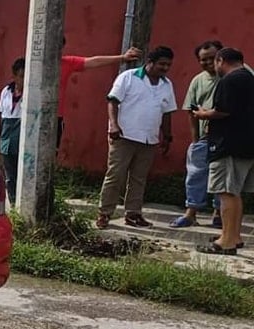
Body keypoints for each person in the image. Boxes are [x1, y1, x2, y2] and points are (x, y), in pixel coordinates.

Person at [96, 46, 177, 229]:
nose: (165, 68)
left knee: (139, 179)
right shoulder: (129, 77)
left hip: (149, 138)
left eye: (168, 65)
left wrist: (167, 136)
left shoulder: (167, 84)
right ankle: (104, 213)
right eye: (162, 64)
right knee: (115, 175)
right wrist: (114, 125)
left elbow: (166, 112)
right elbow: (113, 101)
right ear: (150, 62)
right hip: (124, 135)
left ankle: (133, 214)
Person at [193, 48, 254, 255]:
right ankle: (234, 236)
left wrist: (203, 114)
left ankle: (226, 241)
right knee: (235, 193)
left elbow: (223, 111)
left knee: (225, 193)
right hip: (247, 145)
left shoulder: (229, 80)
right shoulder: (249, 78)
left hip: (228, 145)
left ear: (221, 60)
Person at [170, 40, 224, 228]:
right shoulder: (197, 80)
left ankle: (219, 213)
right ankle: (191, 213)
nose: (208, 62)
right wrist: (195, 140)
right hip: (203, 138)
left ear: (221, 56)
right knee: (195, 174)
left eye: (212, 58)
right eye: (203, 59)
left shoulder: (236, 76)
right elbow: (191, 111)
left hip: (228, 138)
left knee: (222, 176)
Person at [59, 38, 143, 150]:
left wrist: (123, 58)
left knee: (50, 154)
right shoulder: (29, 64)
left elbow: (94, 61)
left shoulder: (66, 63)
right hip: (29, 113)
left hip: (55, 117)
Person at [0, 58, 25, 205]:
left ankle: (22, 201)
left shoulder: (31, 93)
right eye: (21, 76)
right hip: (7, 134)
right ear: (15, 76)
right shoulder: (6, 91)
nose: (24, 80)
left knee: (22, 173)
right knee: (10, 174)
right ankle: (12, 202)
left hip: (21, 133)